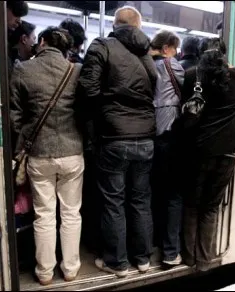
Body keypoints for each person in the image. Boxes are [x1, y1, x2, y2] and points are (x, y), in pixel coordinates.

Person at [77, 6, 157, 277]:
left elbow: (87, 89)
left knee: (114, 201)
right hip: (146, 138)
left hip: (114, 138)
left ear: (115, 23)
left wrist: (101, 119)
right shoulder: (147, 55)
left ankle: (117, 262)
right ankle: (143, 259)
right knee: (140, 200)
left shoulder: (102, 45)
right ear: (138, 26)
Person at [181, 37, 235, 272]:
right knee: (211, 206)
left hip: (199, 151)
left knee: (192, 204)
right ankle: (204, 261)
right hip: (228, 152)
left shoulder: (192, 76)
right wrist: (233, 69)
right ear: (224, 54)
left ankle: (188, 257)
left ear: (201, 54)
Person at [10, 27, 84, 285]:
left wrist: (24, 139)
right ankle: (71, 269)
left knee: (44, 214)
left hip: (39, 153)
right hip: (72, 151)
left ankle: (44, 273)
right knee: (71, 213)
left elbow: (15, 116)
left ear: (41, 42)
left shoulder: (22, 70)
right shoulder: (76, 71)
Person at [149, 30, 184, 267]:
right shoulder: (172, 65)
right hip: (169, 137)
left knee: (149, 195)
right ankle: (171, 252)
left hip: (145, 136)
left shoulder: (142, 65)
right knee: (173, 197)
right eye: (175, 49)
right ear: (167, 48)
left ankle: (147, 246)